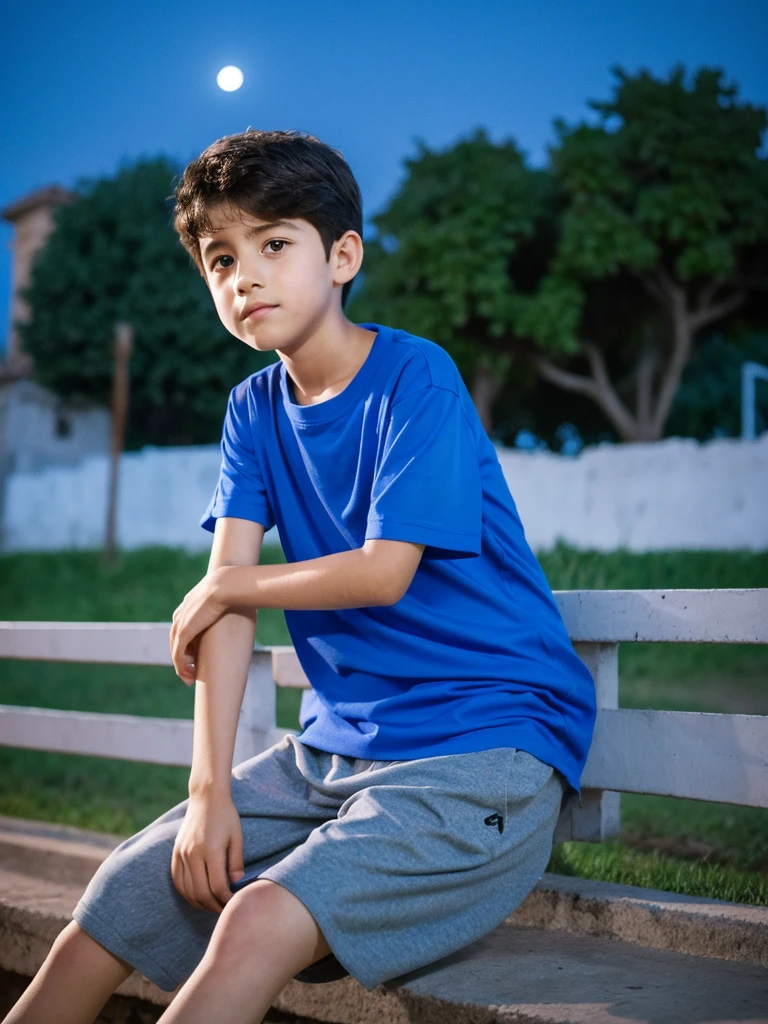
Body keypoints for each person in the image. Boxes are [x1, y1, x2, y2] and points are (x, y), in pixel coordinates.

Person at [3, 128, 596, 1024]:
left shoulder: (416, 379)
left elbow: (382, 572)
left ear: (343, 255)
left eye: (275, 243)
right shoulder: (252, 411)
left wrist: (232, 586)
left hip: (484, 754)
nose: (245, 277)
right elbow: (223, 605)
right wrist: (208, 794)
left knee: (256, 917)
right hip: (333, 759)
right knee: (122, 891)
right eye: (220, 259)